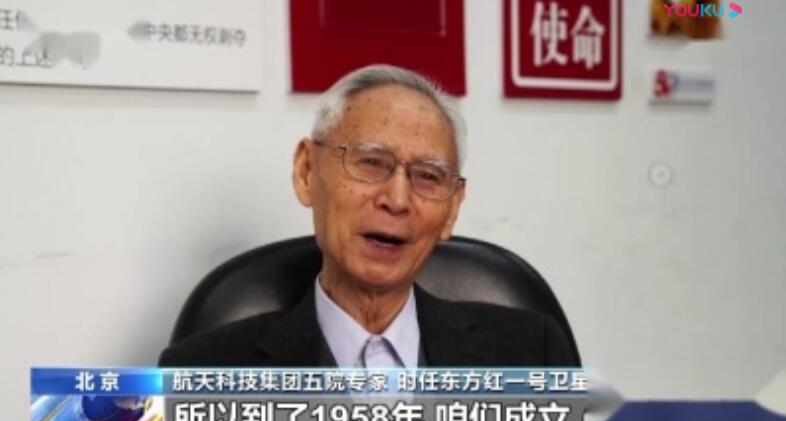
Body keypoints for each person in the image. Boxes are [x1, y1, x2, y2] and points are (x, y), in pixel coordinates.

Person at [159, 65, 578, 367]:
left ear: (453, 207)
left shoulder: (533, 353)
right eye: (371, 162)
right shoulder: (198, 371)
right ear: (307, 172)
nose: (397, 199)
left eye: (428, 176)